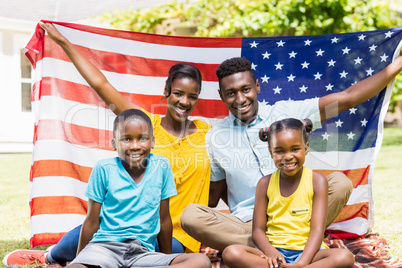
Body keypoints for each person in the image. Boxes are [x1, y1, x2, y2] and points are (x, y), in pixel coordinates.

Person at [3, 22, 211, 267]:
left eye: (192, 96)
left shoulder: (207, 134)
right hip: (123, 226)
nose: (184, 102)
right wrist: (64, 43)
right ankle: (52, 256)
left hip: (171, 236)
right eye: (178, 93)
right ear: (167, 90)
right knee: (101, 223)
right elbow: (101, 85)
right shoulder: (143, 124)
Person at [181, 52, 402, 251]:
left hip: (300, 216)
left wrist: (398, 64)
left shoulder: (288, 112)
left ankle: (270, 248)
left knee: (340, 183)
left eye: (245, 89)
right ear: (221, 95)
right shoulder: (214, 137)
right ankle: (286, 245)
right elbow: (214, 196)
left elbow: (347, 98)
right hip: (248, 225)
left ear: (257, 86)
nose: (240, 99)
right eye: (231, 93)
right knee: (191, 216)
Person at [66, 108, 210, 268]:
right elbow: (92, 222)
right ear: (114, 144)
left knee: (201, 262)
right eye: (126, 139)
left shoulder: (161, 167)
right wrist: (80, 260)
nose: (135, 146)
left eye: (142, 139)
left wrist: (167, 261)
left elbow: (164, 219)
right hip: (105, 249)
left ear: (153, 142)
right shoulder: (103, 169)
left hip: (141, 254)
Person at [222, 118, 355, 268]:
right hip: (274, 255)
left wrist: (303, 262)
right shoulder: (265, 184)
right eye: (279, 151)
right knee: (231, 253)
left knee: (344, 257)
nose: (288, 156)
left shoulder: (317, 181)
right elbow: (258, 230)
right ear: (270, 152)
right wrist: (270, 251)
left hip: (309, 253)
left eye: (295, 149)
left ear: (306, 148)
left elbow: (317, 229)